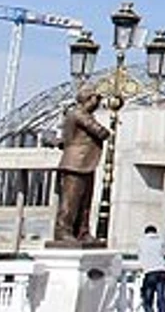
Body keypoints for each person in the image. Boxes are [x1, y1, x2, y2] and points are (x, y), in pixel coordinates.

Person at [53, 85, 110, 243]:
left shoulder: (84, 114)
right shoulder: (78, 113)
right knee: (70, 201)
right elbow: (99, 131)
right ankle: (63, 230)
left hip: (86, 163)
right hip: (76, 163)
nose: (98, 103)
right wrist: (107, 129)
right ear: (88, 99)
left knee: (85, 201)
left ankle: (82, 232)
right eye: (97, 99)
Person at [138, 224, 165, 312]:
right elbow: (163, 253)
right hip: (162, 271)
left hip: (150, 271)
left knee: (147, 299)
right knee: (162, 298)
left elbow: (140, 254)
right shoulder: (161, 241)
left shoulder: (141, 241)